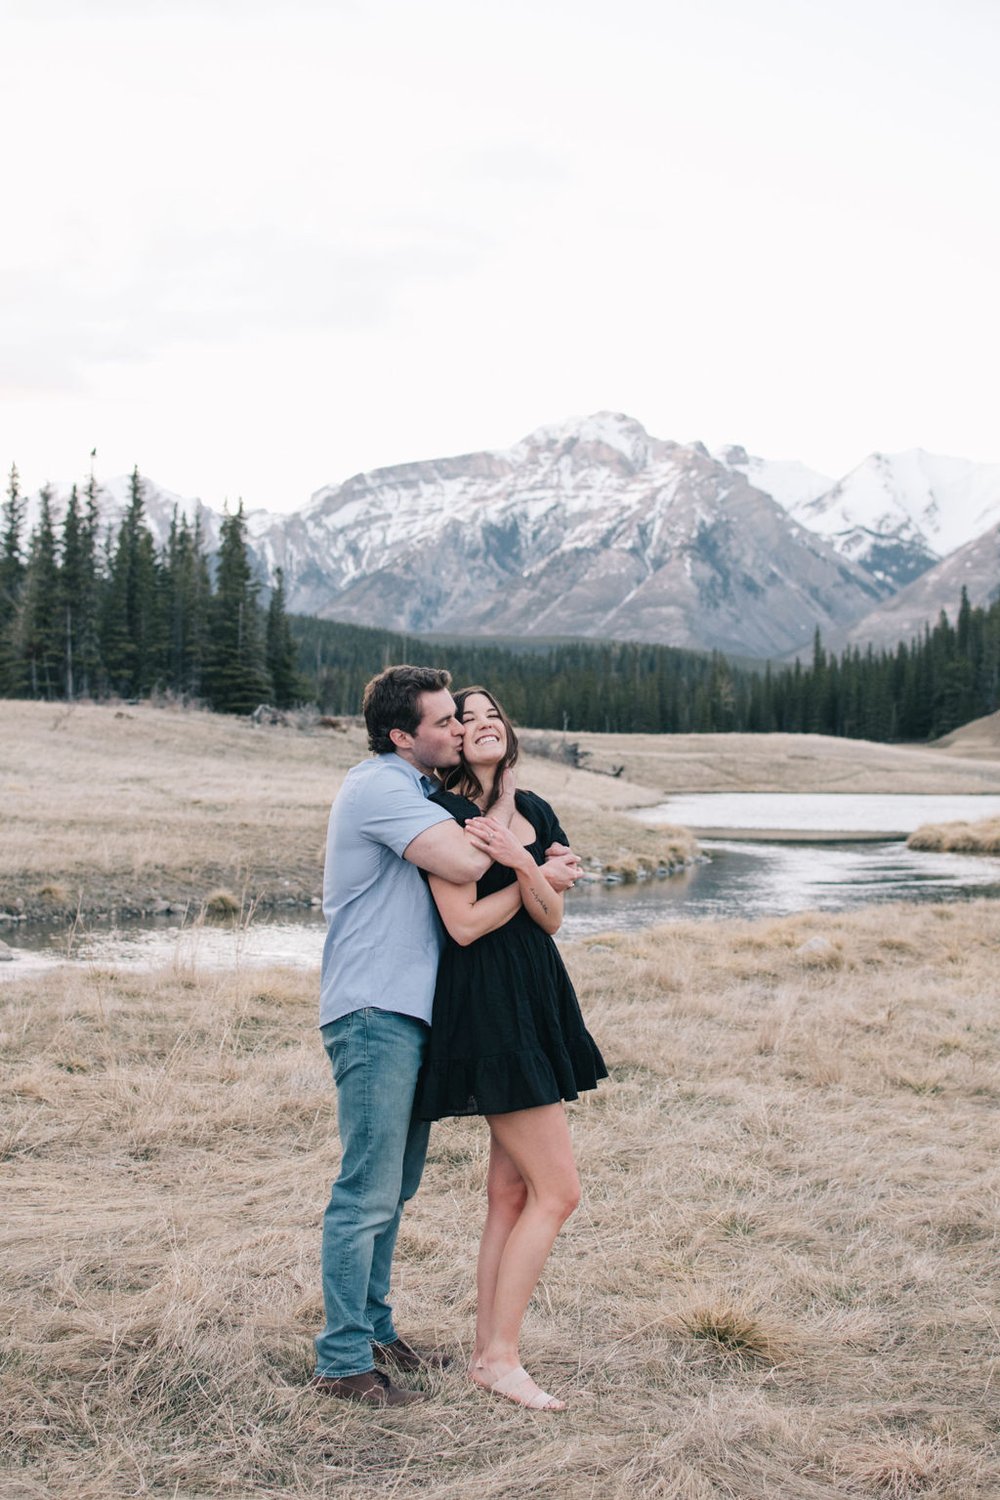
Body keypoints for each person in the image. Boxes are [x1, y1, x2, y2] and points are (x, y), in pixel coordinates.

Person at [312, 665, 582, 1407]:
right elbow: (466, 868)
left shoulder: (427, 790)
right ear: (405, 735)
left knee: (393, 1188)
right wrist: (534, 870)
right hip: (375, 1006)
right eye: (445, 722)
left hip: (415, 1010)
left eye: (467, 719)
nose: (460, 731)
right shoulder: (386, 787)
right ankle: (342, 1363)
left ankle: (372, 1327)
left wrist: (534, 869)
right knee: (367, 1190)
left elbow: (494, 888)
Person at [414, 686, 607, 1412]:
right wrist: (524, 869)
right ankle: (500, 1357)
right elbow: (461, 926)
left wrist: (527, 865)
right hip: (488, 1004)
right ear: (450, 739)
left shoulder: (536, 811)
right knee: (559, 1192)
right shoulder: (440, 817)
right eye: (465, 717)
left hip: (536, 994)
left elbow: (551, 917)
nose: (484, 722)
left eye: (493, 713)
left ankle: (485, 1353)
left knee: (511, 1192)